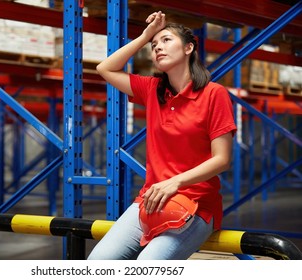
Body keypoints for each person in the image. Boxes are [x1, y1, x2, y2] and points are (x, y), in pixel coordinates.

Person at [87, 11, 237, 260]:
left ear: (189, 48)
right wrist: (146, 35)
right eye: (154, 45)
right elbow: (105, 68)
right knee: (97, 262)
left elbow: (222, 159)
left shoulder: (213, 94)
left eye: (166, 40)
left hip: (196, 204)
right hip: (151, 200)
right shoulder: (152, 90)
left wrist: (175, 182)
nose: (158, 48)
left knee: (148, 266)